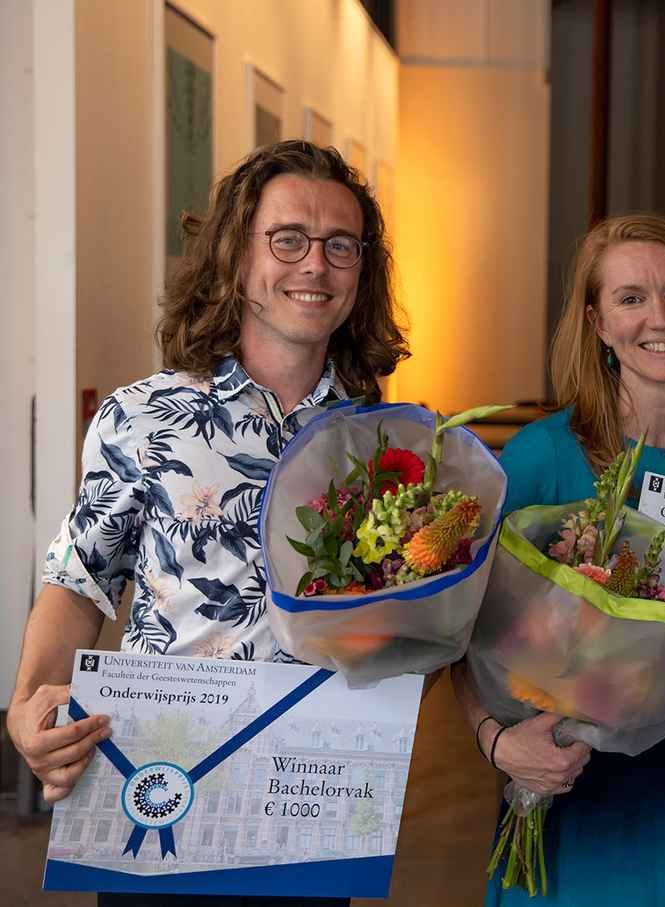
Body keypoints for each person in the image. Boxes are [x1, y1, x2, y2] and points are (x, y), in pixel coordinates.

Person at [6, 140, 409, 907]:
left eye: (340, 245)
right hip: (164, 790)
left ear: (364, 268)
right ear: (236, 253)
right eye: (287, 239)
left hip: (312, 792)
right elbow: (78, 580)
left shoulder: (386, 440)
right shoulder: (144, 416)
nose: (314, 266)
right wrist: (29, 701)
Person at [450, 214, 665, 906]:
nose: (659, 316)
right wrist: (499, 743)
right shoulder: (538, 456)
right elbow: (459, 636)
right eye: (630, 297)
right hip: (570, 779)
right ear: (596, 321)